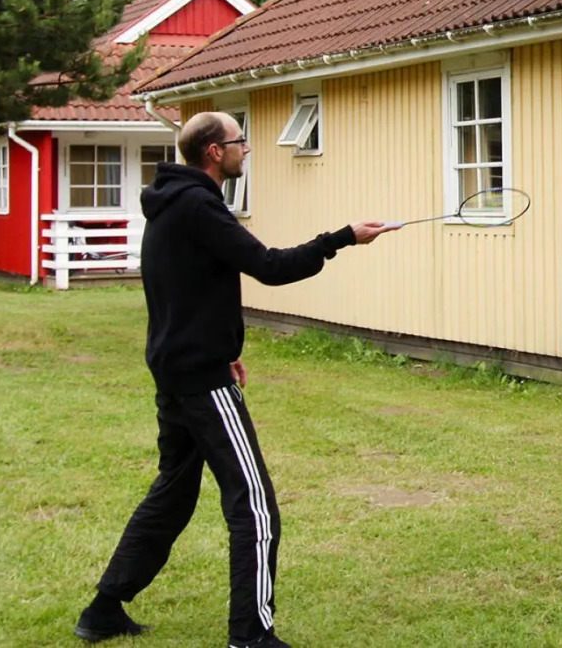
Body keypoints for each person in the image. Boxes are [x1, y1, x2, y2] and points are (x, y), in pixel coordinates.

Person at [75, 111, 400, 647]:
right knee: (255, 506)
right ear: (212, 151)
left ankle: (103, 610)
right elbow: (269, 265)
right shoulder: (199, 207)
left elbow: (185, 289)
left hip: (180, 371)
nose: (245, 150)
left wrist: (220, 346)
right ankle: (251, 636)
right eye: (238, 141)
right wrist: (343, 237)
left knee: (172, 495)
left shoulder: (170, 206)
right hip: (200, 381)